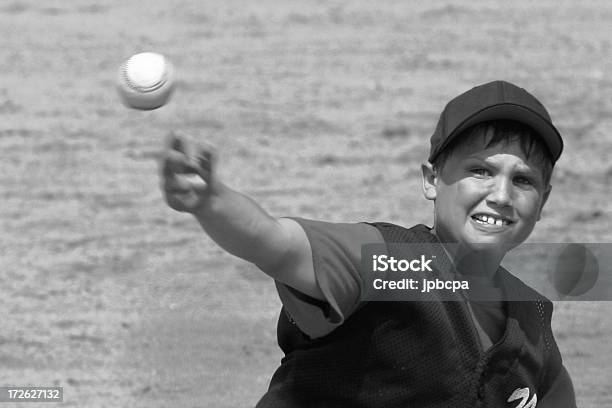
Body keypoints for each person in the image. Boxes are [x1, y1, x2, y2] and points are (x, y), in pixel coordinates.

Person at [161, 80, 576, 407]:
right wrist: (212, 202)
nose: (501, 195)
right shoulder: (389, 262)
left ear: (543, 202)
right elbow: (275, 244)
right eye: (480, 171)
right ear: (432, 180)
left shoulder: (532, 323)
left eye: (523, 180)